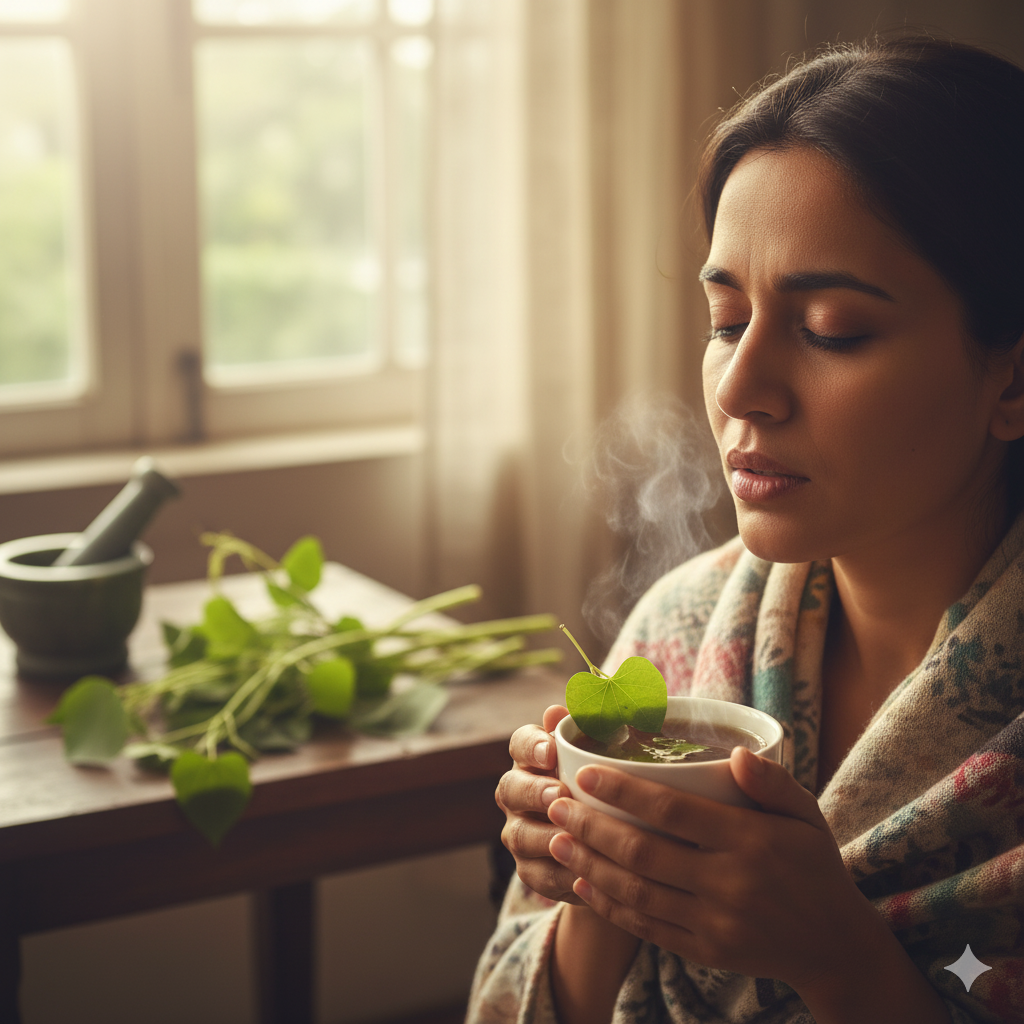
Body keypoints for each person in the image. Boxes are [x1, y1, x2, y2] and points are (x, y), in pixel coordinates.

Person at [467, 35, 1024, 1024]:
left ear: (1010, 376)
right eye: (726, 320)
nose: (741, 387)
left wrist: (839, 959)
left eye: (832, 331)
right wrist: (602, 875)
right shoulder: (684, 628)